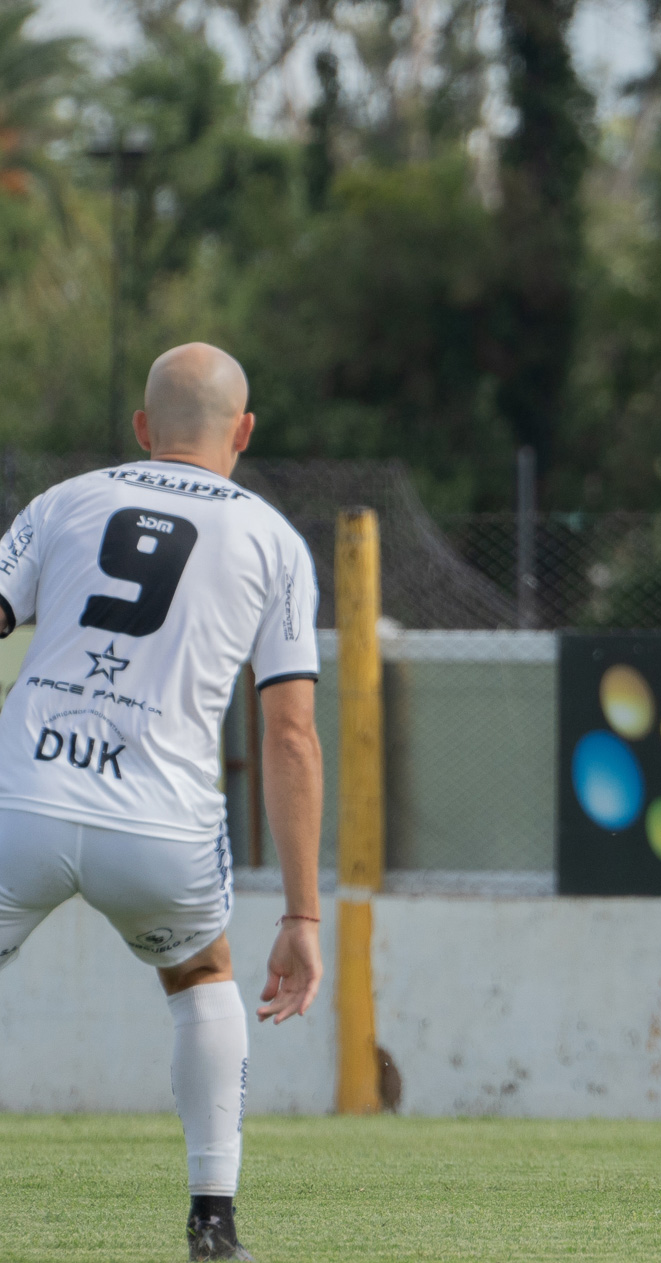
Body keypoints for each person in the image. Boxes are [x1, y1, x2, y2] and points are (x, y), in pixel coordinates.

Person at [0, 344, 323, 1261]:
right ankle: (212, 1224)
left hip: (24, 791)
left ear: (141, 430)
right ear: (244, 431)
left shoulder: (64, 500)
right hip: (160, 826)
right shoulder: (271, 540)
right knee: (198, 976)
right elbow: (291, 735)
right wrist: (301, 910)